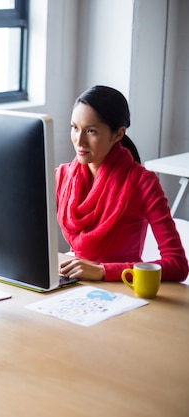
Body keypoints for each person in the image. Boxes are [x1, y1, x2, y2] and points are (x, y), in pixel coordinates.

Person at [56, 85, 188, 282]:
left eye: (91, 131)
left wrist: (103, 271)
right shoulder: (63, 176)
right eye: (75, 128)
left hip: (124, 289)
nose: (79, 141)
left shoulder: (143, 183)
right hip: (77, 284)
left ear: (118, 134)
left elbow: (177, 264)